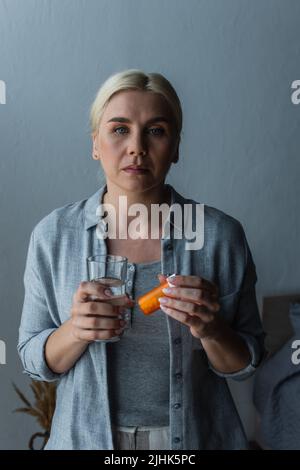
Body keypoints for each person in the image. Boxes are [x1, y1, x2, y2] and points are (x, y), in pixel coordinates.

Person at [18, 69, 265, 450]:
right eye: (119, 129)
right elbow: (34, 360)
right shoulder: (54, 236)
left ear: (176, 146)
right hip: (86, 441)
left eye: (156, 130)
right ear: (95, 144)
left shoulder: (219, 236)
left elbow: (246, 363)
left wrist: (213, 329)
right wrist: (76, 330)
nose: (137, 147)